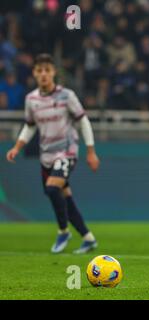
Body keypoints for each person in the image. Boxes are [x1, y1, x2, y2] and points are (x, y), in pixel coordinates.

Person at [6, 53, 100, 254]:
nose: (43, 75)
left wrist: (91, 151)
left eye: (47, 70)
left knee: (51, 189)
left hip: (66, 152)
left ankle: (63, 230)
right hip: (46, 155)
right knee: (63, 197)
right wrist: (17, 147)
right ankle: (88, 237)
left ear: (54, 73)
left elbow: (83, 121)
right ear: (34, 73)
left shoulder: (67, 96)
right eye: (39, 71)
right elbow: (30, 126)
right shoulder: (31, 99)